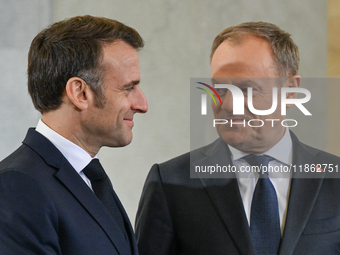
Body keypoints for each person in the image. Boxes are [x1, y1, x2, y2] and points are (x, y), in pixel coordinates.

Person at [136, 22, 340, 255]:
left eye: (247, 89)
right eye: (220, 89)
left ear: (291, 91)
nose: (229, 105)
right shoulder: (170, 183)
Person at [0, 15, 148, 255]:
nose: (142, 104)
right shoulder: (16, 186)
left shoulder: (89, 177)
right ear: (80, 93)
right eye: (128, 88)